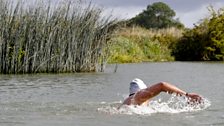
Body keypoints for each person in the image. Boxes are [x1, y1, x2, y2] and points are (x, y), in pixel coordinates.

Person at [122, 78, 202, 106]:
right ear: (142, 90)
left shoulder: (129, 101)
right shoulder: (138, 97)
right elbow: (162, 85)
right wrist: (186, 95)